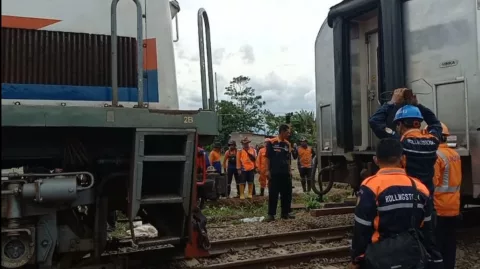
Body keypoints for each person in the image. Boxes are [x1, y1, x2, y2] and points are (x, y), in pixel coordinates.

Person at [350, 138, 442, 269]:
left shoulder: (370, 186)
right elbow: (428, 230)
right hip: (413, 258)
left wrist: (356, 259)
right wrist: (435, 260)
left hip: (380, 258)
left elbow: (361, 229)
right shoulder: (420, 188)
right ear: (403, 159)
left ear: (376, 160)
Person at [369, 88, 442, 208]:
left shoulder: (400, 142)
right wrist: (417, 105)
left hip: (407, 198)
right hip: (426, 196)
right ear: (418, 122)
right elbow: (435, 123)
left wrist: (391, 103)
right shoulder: (433, 140)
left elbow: (375, 121)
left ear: (400, 124)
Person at [426, 122, 462, 269]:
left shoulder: (435, 156)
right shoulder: (455, 154)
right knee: (450, 245)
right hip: (453, 206)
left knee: (437, 246)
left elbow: (432, 183)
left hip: (439, 207)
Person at [266, 124, 295, 221]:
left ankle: (285, 213)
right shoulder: (271, 142)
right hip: (274, 172)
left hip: (285, 173)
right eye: (287, 132)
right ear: (282, 131)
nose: (289, 134)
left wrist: (290, 170)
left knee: (287, 193)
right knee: (273, 194)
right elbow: (268, 157)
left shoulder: (287, 144)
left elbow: (288, 159)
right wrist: (267, 170)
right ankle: (271, 214)